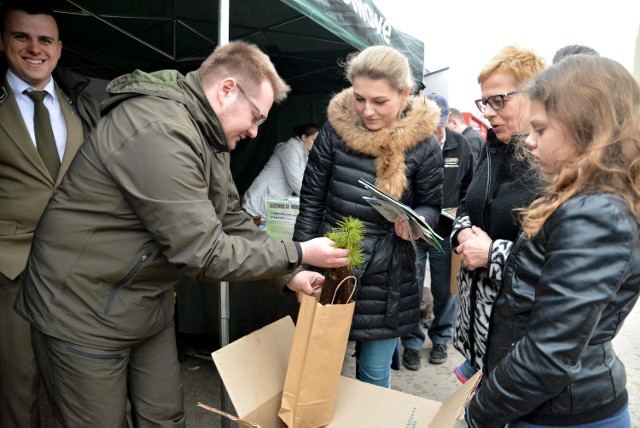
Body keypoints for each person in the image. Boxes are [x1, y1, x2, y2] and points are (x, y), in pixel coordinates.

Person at [13, 40, 349, 427]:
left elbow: (232, 219)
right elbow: (204, 253)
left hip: (144, 301)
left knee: (165, 417)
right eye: (256, 116)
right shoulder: (158, 128)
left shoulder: (209, 135)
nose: (256, 132)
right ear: (226, 90)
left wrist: (289, 275)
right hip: (80, 307)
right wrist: (300, 252)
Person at [465, 54, 640, 428]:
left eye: (541, 131)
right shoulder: (589, 201)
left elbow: (548, 354)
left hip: (564, 414)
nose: (529, 142)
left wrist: (477, 416)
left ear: (586, 129)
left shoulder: (596, 214)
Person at [293, 45, 444, 388]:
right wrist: (301, 265)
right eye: (359, 98)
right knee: (321, 365)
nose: (367, 111)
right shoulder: (334, 130)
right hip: (334, 259)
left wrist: (416, 221)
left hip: (390, 273)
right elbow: (312, 201)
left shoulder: (424, 144)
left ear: (405, 94)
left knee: (374, 374)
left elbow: (432, 206)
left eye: (380, 101)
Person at [0, 1, 100, 427]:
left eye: (45, 39)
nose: (34, 48)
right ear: (3, 42)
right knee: (17, 385)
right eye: (22, 36)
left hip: (73, 270)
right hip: (10, 272)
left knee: (73, 383)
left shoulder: (79, 104)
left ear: (59, 49)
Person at [452, 45, 545, 383]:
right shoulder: (490, 149)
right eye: (484, 102)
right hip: (479, 334)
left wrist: (492, 253)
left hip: (516, 338)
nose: (489, 112)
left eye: (499, 100)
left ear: (534, 95)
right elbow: (468, 203)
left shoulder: (549, 163)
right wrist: (462, 231)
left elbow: (554, 261)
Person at [401, 93, 474, 370]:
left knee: (446, 290)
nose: (435, 131)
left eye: (439, 125)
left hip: (446, 231)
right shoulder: (410, 143)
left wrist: (463, 218)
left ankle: (441, 337)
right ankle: (411, 342)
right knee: (412, 286)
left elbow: (470, 185)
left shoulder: (461, 145)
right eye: (429, 124)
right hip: (415, 228)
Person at [243, 122, 320, 225]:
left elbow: (306, 180)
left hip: (273, 202)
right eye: (314, 140)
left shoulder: (303, 153)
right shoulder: (291, 149)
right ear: (304, 137)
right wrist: (315, 201)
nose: (317, 144)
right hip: (259, 201)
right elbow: (297, 183)